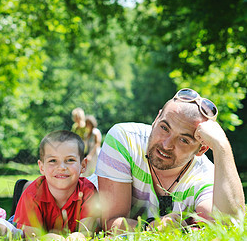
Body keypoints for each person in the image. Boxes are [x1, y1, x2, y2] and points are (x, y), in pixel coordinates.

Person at [95, 88, 245, 233]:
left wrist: (222, 147)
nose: (166, 145)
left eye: (183, 140)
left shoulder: (205, 176)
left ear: (201, 150)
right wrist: (152, 228)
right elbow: (110, 223)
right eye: (164, 128)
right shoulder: (124, 140)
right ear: (156, 119)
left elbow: (229, 225)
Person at [14, 130, 99, 241]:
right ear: (42, 167)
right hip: (24, 223)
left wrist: (78, 237)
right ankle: (20, 189)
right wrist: (48, 239)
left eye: (70, 160)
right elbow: (32, 238)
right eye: (53, 160)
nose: (61, 167)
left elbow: (87, 232)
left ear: (83, 165)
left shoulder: (87, 191)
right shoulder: (31, 195)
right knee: (2, 230)